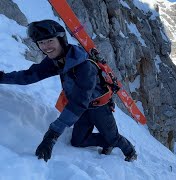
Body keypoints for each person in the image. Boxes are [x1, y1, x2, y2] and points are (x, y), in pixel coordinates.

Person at [0, 19, 137, 162]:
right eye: (41, 43)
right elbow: (28, 76)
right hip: (82, 110)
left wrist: (52, 134)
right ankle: (107, 143)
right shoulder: (57, 60)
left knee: (113, 137)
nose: (45, 47)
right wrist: (2, 77)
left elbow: (78, 103)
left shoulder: (84, 66)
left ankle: (130, 151)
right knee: (78, 141)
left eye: (49, 41)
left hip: (99, 108)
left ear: (61, 39)